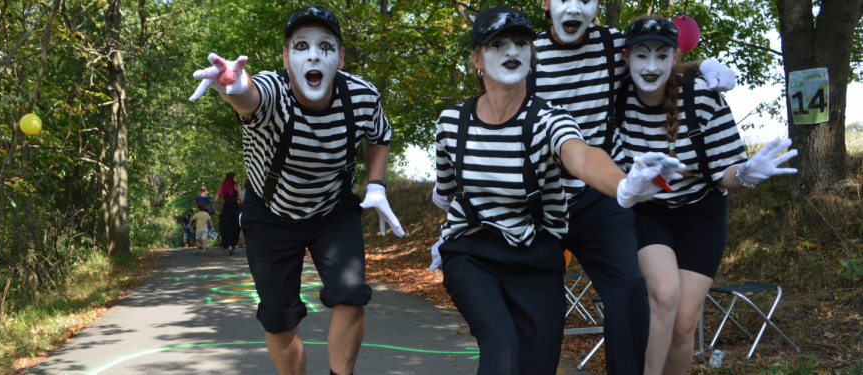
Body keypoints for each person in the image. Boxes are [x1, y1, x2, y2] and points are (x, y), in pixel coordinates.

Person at [431, 7, 682, 374]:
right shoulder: (453, 123)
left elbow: (579, 154)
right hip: (483, 247)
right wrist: (450, 234)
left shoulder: (554, 114)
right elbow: (448, 189)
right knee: (502, 346)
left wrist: (623, 185)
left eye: (520, 43)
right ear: (476, 59)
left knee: (622, 291)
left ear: (532, 55)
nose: (511, 52)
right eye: (498, 44)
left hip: (559, 228)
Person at [521, 1, 738, 372]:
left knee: (630, 290)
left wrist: (701, 64)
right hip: (544, 197)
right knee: (541, 308)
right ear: (545, 2)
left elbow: (654, 61)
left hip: (602, 192)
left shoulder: (611, 43)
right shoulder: (528, 53)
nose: (574, 6)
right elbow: (498, 109)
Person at [189, 6, 403, 375]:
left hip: (332, 210)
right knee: (279, 318)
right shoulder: (274, 92)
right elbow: (250, 98)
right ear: (286, 57)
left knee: (351, 295)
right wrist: (235, 88)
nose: (314, 55)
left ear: (340, 56)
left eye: (326, 45)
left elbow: (379, 136)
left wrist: (378, 185)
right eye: (301, 46)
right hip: (270, 213)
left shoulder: (362, 97)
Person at [614, 18, 798, 375]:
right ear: (626, 57)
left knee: (684, 326)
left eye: (661, 55)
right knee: (664, 295)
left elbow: (727, 174)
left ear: (674, 57)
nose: (651, 66)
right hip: (647, 212)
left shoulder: (701, 98)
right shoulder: (615, 98)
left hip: (702, 214)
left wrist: (744, 175)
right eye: (641, 55)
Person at [216, 172, 243, 255]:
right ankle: (232, 246)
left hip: (226, 208)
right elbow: (241, 199)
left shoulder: (223, 186)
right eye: (235, 178)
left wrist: (224, 203)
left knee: (226, 226)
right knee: (235, 227)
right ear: (232, 178)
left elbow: (216, 200)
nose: (235, 179)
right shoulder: (237, 186)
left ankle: (230, 247)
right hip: (235, 208)